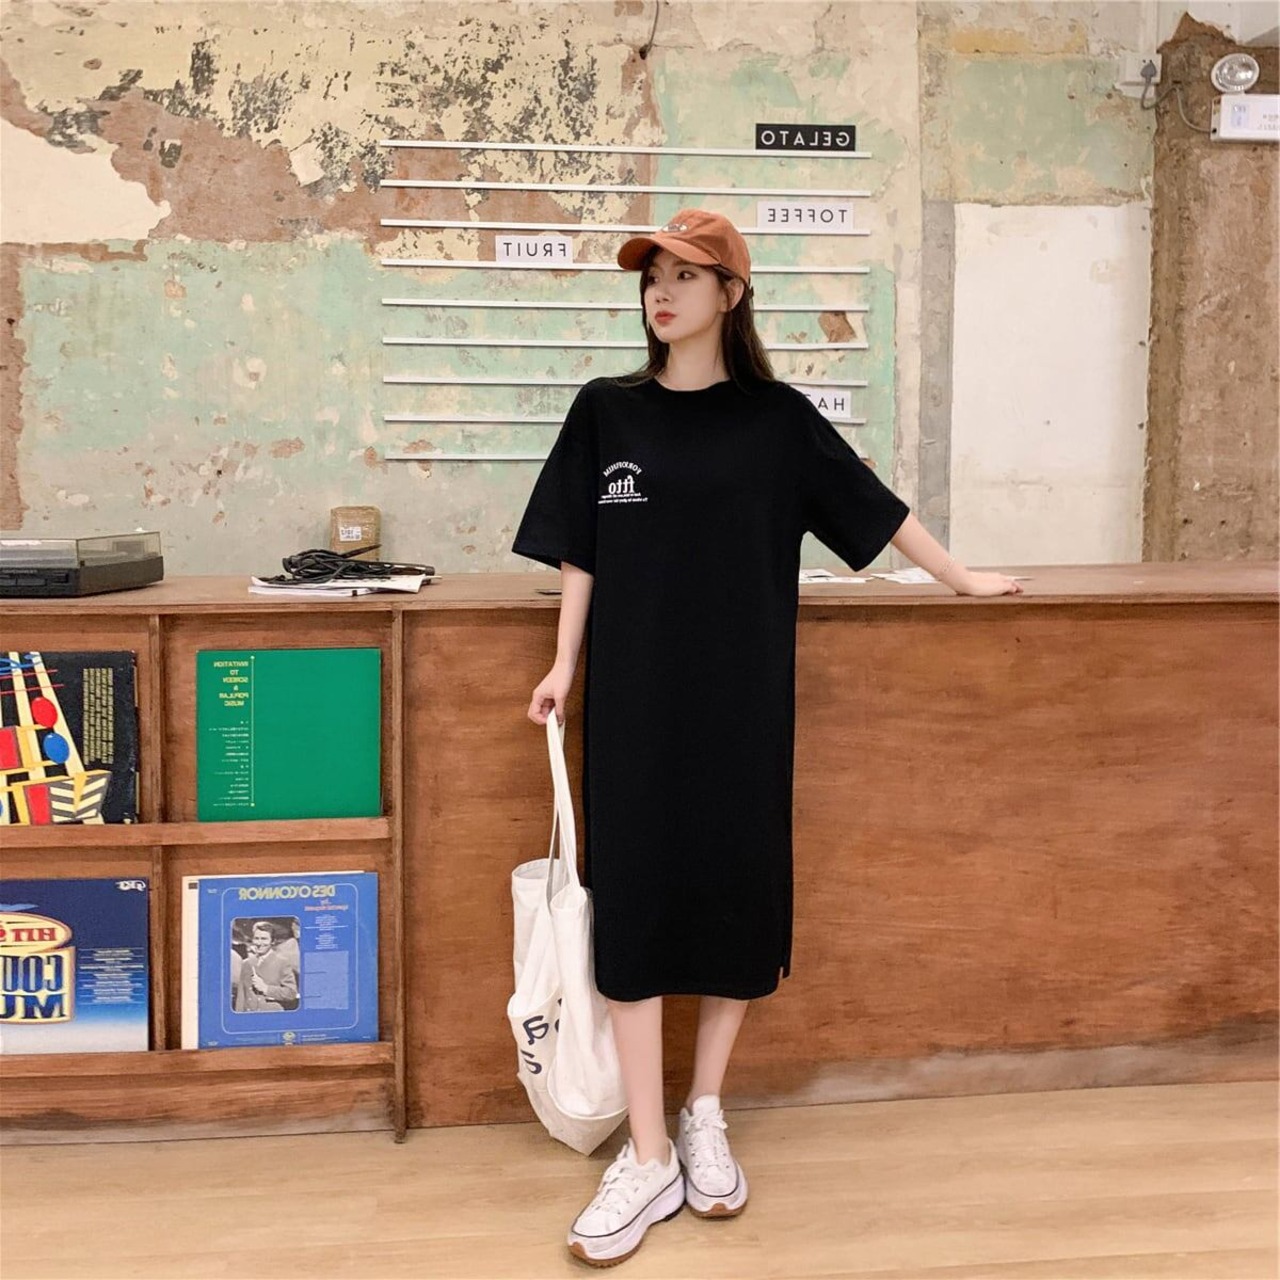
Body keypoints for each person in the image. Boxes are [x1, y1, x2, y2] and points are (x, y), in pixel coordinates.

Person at [511, 207, 1022, 1267]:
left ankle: (703, 1110)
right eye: (652, 276)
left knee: (737, 902)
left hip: (742, 706)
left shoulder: (777, 422)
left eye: (686, 276)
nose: (661, 293)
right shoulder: (606, 411)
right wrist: (563, 663)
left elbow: (874, 511)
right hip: (634, 707)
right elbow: (581, 554)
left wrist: (962, 577)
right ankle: (647, 1153)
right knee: (635, 910)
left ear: (731, 295)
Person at [235, 921, 300, 1013]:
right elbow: (241, 997)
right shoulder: (246, 963)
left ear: (272, 941)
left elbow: (291, 993)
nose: (259, 943)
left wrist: (266, 988)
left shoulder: (282, 962)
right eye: (256, 938)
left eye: (264, 939)